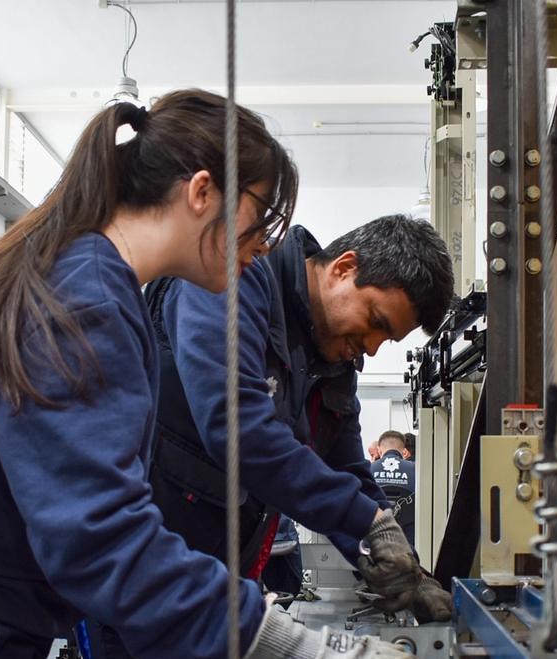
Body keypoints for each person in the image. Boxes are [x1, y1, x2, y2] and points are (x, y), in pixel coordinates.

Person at [0, 90, 407, 659]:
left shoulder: (86, 277)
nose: (265, 242)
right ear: (203, 192)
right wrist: (298, 648)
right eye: (259, 213)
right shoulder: (85, 297)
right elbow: (100, 537)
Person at [136, 214, 455, 643]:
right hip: (143, 569)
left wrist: (407, 570)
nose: (374, 348)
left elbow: (349, 472)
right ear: (344, 268)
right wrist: (368, 520)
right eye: (377, 321)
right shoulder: (232, 279)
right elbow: (239, 431)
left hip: (219, 582)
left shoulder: (333, 365)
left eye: (390, 339)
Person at [370, 431, 417, 546]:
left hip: (375, 540)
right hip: (408, 541)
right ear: (403, 450)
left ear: (379, 450)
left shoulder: (368, 469)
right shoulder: (416, 469)